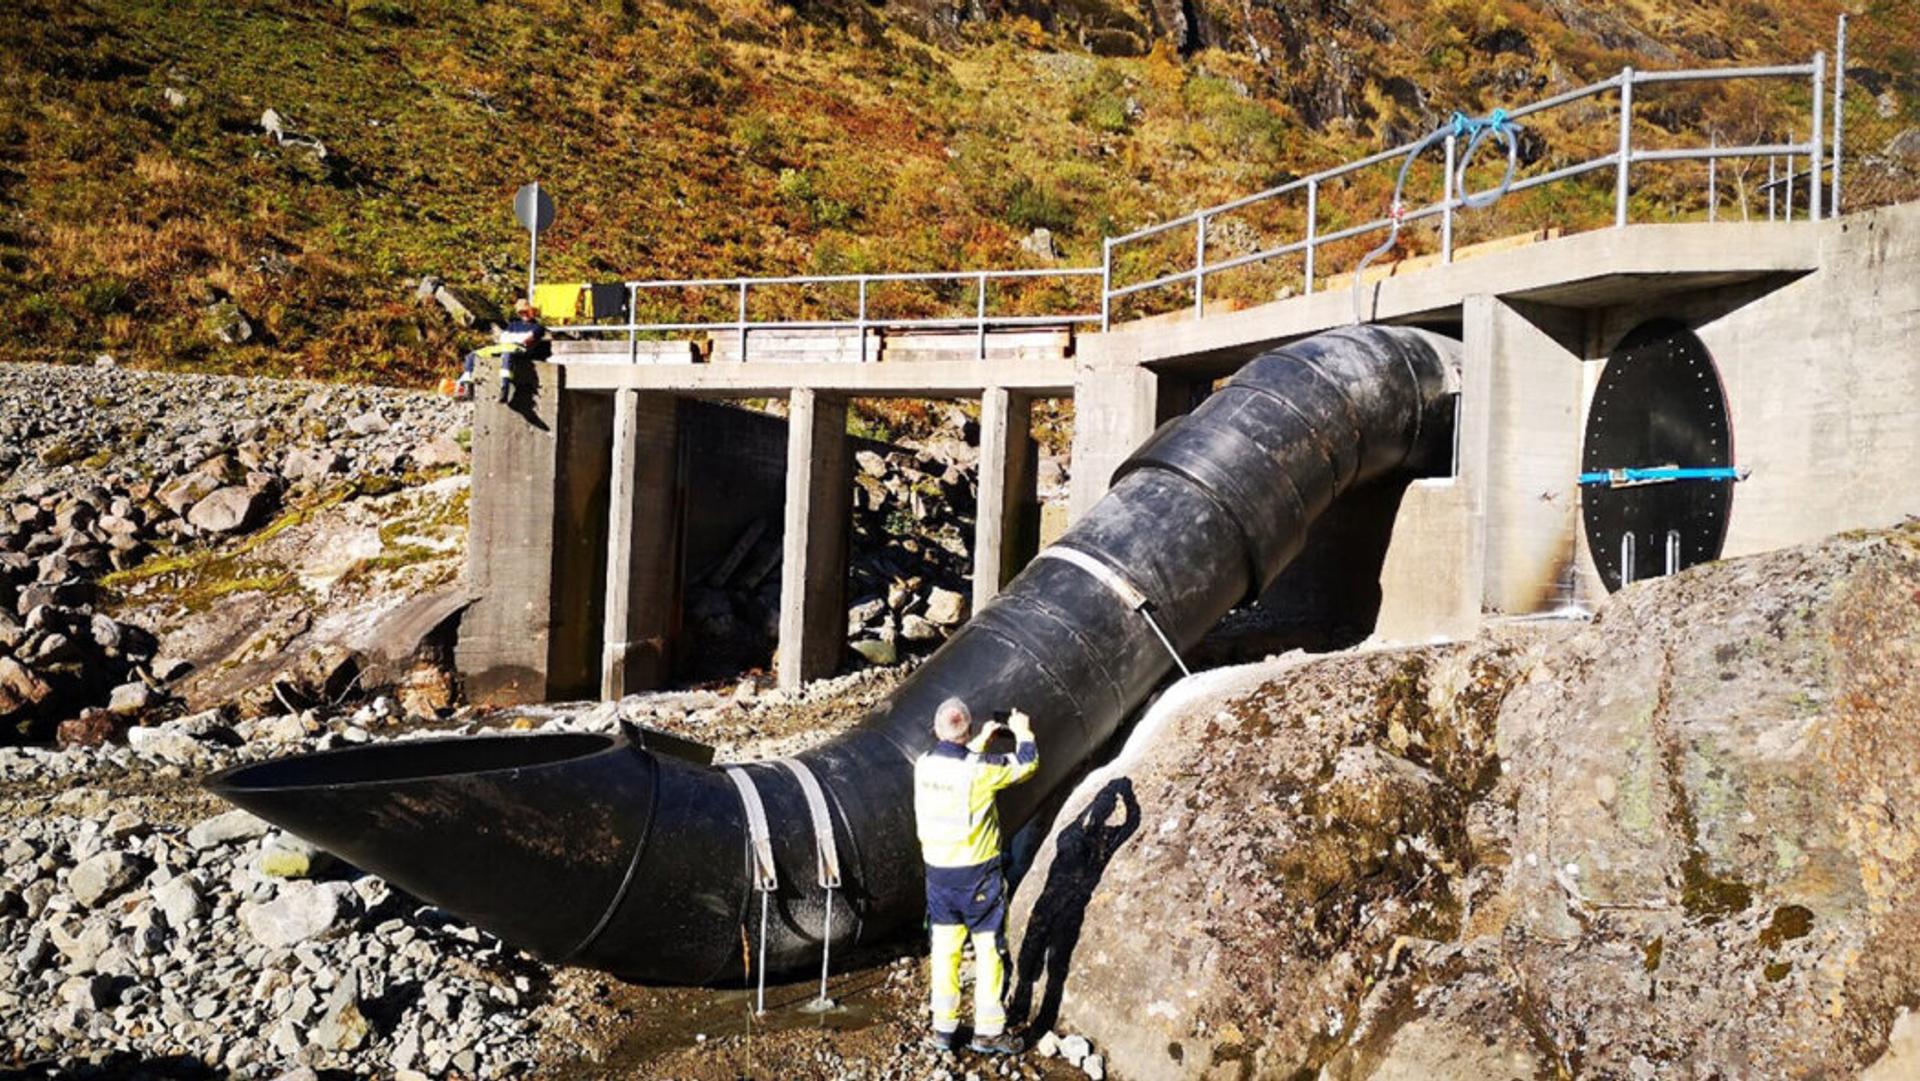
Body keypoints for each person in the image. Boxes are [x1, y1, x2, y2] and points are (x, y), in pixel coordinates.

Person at [913, 697, 1038, 1055]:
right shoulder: (980, 771)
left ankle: (943, 1027)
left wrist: (980, 740)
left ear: (937, 730)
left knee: (946, 952)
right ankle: (988, 1030)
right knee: (989, 951)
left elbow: (962, 763)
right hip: (978, 878)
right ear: (966, 729)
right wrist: (1022, 733)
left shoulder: (924, 766)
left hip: (939, 877)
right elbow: (1027, 764)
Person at [459, 299, 549, 403]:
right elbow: (503, 338)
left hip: (520, 350)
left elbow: (526, 340)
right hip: (504, 346)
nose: (524, 314)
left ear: (532, 311)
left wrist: (513, 338)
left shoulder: (538, 327)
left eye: (526, 311)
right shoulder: (514, 324)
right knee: (472, 355)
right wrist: (515, 338)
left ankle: (505, 388)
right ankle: (467, 387)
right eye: (521, 312)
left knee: (507, 355)